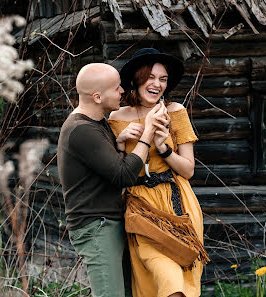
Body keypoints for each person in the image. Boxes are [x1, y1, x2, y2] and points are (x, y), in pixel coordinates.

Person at [57, 63, 169, 297]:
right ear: (97, 97)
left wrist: (119, 144)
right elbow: (124, 175)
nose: (122, 91)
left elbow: (109, 169)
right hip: (96, 227)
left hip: (109, 223)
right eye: (116, 88)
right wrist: (148, 132)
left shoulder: (97, 124)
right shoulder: (81, 130)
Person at [109, 48, 208, 297]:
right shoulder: (116, 118)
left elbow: (188, 170)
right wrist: (120, 144)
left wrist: (164, 149)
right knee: (164, 280)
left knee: (182, 283)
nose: (157, 84)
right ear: (135, 80)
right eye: (150, 77)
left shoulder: (175, 112)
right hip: (141, 208)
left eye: (163, 79)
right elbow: (118, 173)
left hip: (178, 205)